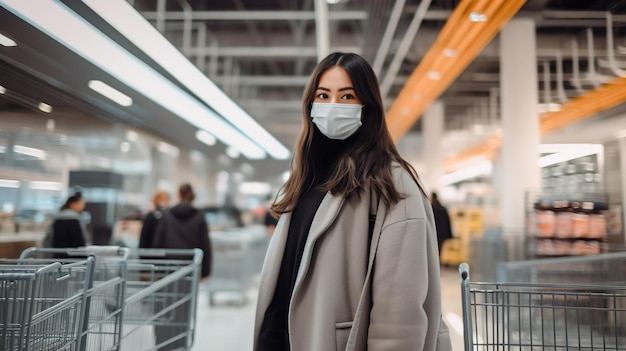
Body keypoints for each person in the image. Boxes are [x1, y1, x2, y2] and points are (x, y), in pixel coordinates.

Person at [254, 52, 451, 351]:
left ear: (367, 107)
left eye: (347, 96)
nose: (333, 106)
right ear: (310, 105)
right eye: (323, 95)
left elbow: (399, 316)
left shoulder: (392, 186)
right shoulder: (305, 179)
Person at [151, 183, 212, 351]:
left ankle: (163, 343)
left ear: (179, 194)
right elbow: (205, 244)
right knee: (183, 310)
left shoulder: (166, 215)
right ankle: (180, 343)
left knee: (164, 308)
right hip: (188, 271)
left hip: (167, 271)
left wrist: (155, 269)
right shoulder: (199, 216)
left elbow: (158, 243)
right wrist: (205, 270)